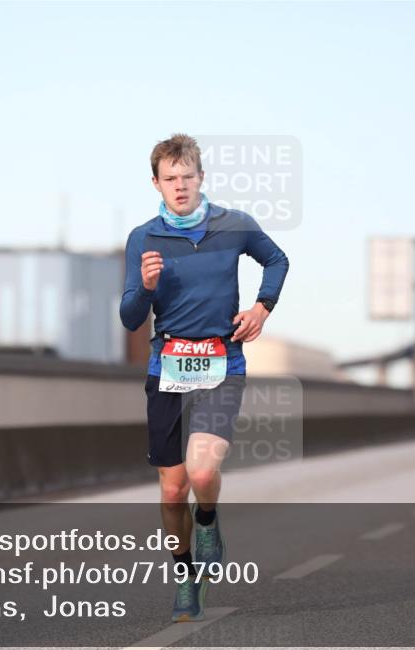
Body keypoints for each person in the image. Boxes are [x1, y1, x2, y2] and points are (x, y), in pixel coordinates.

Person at [119, 134, 289, 622]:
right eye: (169, 179)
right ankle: (184, 573)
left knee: (200, 472)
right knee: (172, 490)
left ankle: (209, 520)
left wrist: (262, 307)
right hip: (166, 366)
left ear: (201, 178)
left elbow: (277, 259)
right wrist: (147, 287)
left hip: (222, 363)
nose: (179, 186)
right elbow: (131, 319)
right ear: (156, 183)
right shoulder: (143, 238)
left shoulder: (233, 226)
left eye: (187, 177)